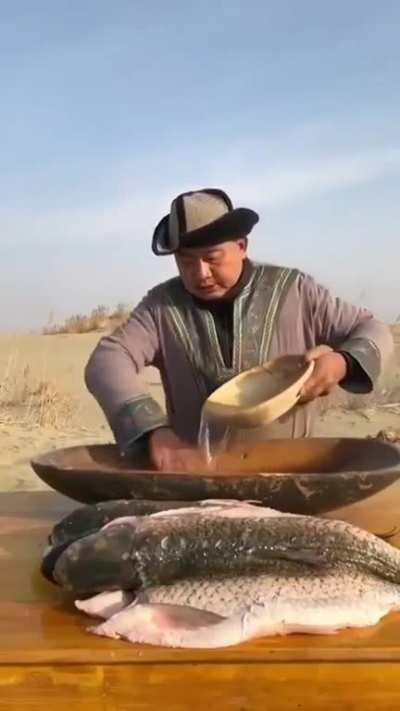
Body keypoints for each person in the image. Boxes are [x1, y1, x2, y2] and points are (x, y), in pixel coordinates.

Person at [85, 188, 393, 470]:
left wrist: (342, 362)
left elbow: (370, 328)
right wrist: (154, 431)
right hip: (195, 479)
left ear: (241, 246)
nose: (200, 273)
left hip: (292, 477)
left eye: (211, 257)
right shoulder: (161, 306)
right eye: (186, 261)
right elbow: (108, 359)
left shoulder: (294, 291)